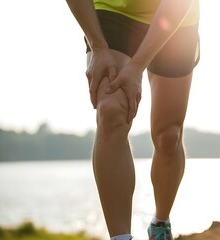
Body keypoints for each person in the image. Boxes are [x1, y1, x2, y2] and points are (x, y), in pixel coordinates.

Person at [65, 0, 200, 239]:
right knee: (110, 112)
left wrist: (137, 66)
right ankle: (120, 236)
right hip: (115, 10)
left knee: (169, 135)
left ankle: (160, 224)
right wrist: (98, 47)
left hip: (175, 18)